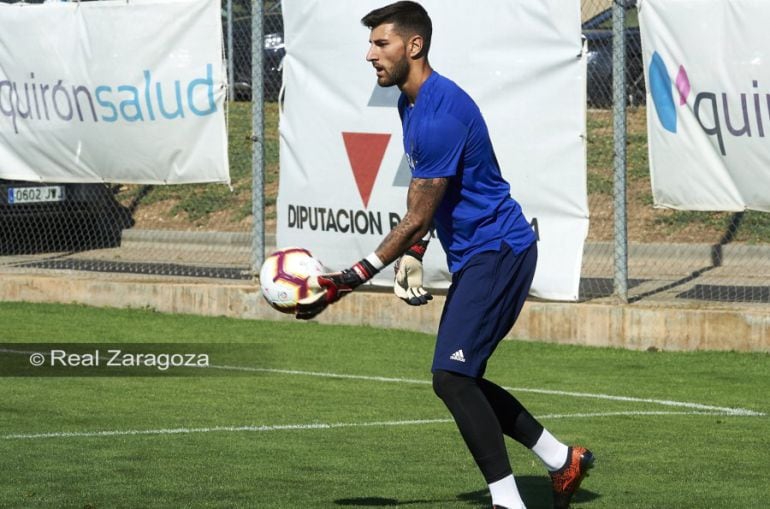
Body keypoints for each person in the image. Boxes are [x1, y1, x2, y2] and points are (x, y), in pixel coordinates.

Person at [296, 2, 594, 508]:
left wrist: (349, 278)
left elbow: (416, 214)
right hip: (483, 252)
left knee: (452, 378)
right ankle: (562, 460)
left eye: (381, 43)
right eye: (370, 44)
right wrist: (415, 252)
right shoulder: (409, 104)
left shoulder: (439, 115)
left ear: (414, 46)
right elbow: (428, 202)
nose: (370, 54)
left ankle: (508, 502)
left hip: (499, 250)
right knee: (461, 377)